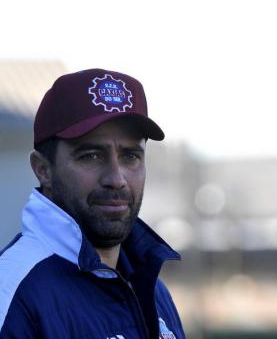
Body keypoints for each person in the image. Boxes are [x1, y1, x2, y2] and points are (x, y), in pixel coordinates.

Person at [0, 69, 185, 338]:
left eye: (130, 156)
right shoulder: (11, 290)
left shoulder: (152, 290)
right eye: (91, 156)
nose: (117, 178)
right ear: (43, 169)